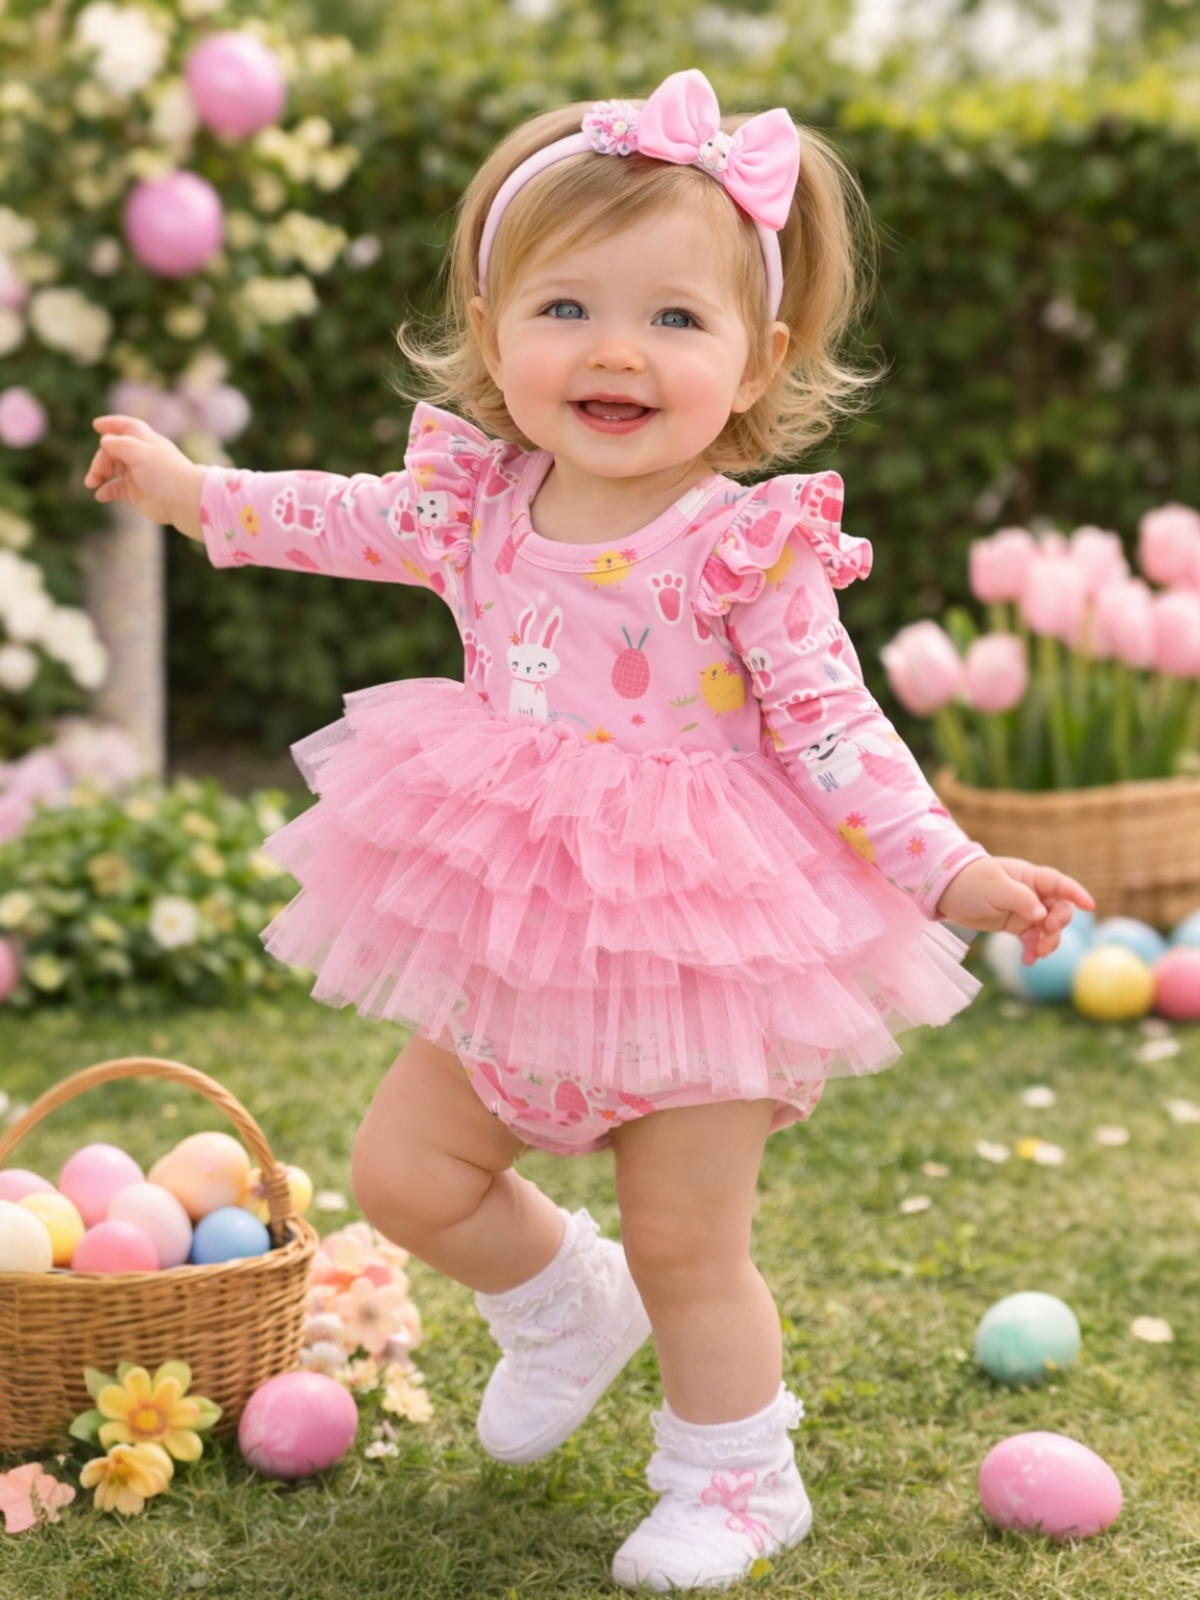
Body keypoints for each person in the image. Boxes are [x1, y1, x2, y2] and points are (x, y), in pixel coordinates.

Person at [85, 69, 1092, 1592]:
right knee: (411, 1175)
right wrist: (182, 490)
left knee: (691, 1243)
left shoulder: (747, 546)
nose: (617, 350)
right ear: (493, 334)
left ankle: (740, 1477)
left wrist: (952, 867)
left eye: (676, 321)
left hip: (698, 932)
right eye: (566, 309)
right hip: (516, 903)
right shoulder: (476, 503)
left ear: (758, 361)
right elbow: (329, 514)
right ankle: (564, 1299)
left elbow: (835, 729)